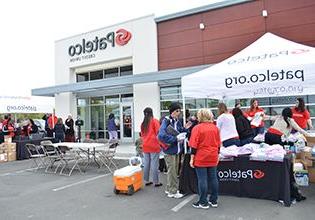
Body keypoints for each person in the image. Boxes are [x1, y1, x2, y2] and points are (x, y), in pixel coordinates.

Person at [158, 102, 191, 199]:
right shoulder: (166, 121)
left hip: (176, 150)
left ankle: (169, 189)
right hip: (170, 150)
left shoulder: (177, 121)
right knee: (172, 172)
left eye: (179, 111)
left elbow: (180, 131)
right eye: (177, 111)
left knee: (173, 171)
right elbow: (161, 135)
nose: (179, 113)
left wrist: (185, 129)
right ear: (172, 111)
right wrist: (175, 139)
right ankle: (173, 191)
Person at [189, 108, 221, 209]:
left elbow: (194, 145)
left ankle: (203, 202)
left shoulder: (197, 128)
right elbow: (219, 143)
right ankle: (214, 200)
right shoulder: (215, 128)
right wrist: (218, 155)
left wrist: (191, 158)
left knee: (202, 180)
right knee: (213, 178)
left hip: (201, 156)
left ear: (200, 116)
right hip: (213, 155)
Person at [140, 107, 162, 187]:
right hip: (154, 145)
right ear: (151, 113)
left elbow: (142, 135)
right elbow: (158, 133)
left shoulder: (143, 124)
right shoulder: (154, 121)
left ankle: (146, 180)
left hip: (145, 145)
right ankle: (156, 182)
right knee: (154, 164)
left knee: (146, 164)